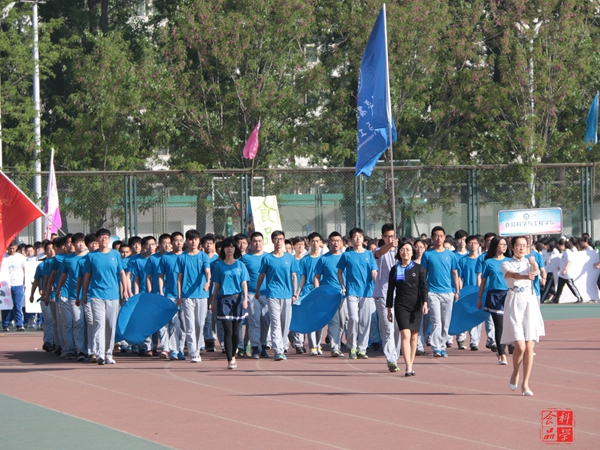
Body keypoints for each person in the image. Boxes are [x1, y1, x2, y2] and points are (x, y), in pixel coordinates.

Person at [502, 236, 545, 396]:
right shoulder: (506, 263)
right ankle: (515, 373)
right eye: (518, 245)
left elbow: (535, 271)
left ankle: (525, 383)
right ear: (512, 247)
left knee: (529, 346)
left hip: (529, 302)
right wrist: (526, 276)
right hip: (514, 302)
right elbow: (512, 275)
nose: (521, 248)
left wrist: (534, 264)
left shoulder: (530, 262)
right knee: (519, 346)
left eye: (524, 245)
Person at [82, 228, 131, 365]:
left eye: (106, 237)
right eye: (101, 237)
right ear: (97, 240)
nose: (104, 239)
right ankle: (100, 354)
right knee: (99, 324)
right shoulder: (91, 256)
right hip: (96, 295)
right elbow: (87, 276)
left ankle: (109, 354)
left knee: (110, 325)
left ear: (109, 239)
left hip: (113, 295)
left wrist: (125, 290)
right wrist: (85, 294)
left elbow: (122, 273)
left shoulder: (115, 254)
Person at [386, 240, 428, 376]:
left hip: (416, 305)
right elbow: (390, 290)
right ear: (399, 252)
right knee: (405, 334)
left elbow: (423, 287)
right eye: (402, 249)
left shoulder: (418, 268)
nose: (405, 252)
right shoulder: (395, 269)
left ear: (412, 252)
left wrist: (425, 303)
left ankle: (411, 363)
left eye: (408, 249)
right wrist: (388, 308)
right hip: (401, 305)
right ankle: (408, 367)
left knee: (414, 337)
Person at [255, 230, 297, 361]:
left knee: (285, 323)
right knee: (275, 323)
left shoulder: (290, 258)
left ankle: (283, 346)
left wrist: (295, 293)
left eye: (281, 239)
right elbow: (261, 275)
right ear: (272, 241)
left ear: (284, 240)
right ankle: (278, 350)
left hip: (287, 295)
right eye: (276, 239)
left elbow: (294, 276)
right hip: (272, 294)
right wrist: (257, 290)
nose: (279, 241)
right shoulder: (267, 258)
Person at [337, 228, 378, 360]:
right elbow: (339, 272)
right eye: (355, 236)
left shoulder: (369, 254)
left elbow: (374, 271)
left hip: (367, 292)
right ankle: (352, 346)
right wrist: (343, 285)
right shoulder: (347, 255)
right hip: (352, 291)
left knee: (365, 321)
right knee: (353, 319)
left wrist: (376, 283)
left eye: (360, 236)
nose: (358, 239)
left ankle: (362, 348)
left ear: (363, 239)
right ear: (351, 240)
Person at [420, 226, 460, 358]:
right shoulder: (427, 254)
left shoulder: (451, 255)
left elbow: (455, 273)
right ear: (432, 238)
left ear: (444, 237)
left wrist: (457, 291)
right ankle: (436, 347)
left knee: (445, 321)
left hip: (448, 292)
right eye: (436, 236)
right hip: (433, 292)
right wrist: (423, 291)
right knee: (436, 321)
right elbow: (423, 274)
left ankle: (443, 346)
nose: (439, 238)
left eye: (441, 236)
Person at [211, 238, 249, 369]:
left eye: (232, 246)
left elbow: (244, 283)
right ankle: (230, 359)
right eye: (227, 246)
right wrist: (213, 302)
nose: (230, 249)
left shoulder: (240, 265)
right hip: (224, 300)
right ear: (223, 249)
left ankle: (234, 354)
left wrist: (245, 299)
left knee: (236, 332)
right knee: (227, 330)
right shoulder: (219, 266)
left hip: (237, 299)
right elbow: (217, 285)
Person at [177, 229, 211, 363]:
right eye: (190, 239)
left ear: (199, 241)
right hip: (187, 296)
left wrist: (208, 282)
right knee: (190, 324)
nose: (193, 242)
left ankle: (197, 348)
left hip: (202, 294)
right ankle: (193, 352)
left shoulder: (203, 256)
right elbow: (179, 278)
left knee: (200, 324)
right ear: (187, 241)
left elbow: (207, 271)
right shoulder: (182, 257)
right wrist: (179, 295)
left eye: (195, 239)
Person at [373, 223, 402, 372]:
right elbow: (379, 253)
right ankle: (391, 358)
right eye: (387, 236)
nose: (390, 239)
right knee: (388, 327)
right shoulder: (379, 251)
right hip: (384, 294)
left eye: (392, 236)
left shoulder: (400, 252)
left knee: (398, 328)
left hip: (400, 295)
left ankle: (395, 354)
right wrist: (390, 245)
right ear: (383, 237)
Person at [477, 236, 510, 364]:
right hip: (495, 296)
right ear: (495, 246)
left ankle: (510, 344)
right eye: (501, 244)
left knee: (510, 324)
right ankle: (502, 353)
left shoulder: (510, 261)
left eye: (505, 244)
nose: (504, 247)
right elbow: (483, 282)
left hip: (509, 295)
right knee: (499, 325)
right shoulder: (488, 262)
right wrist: (479, 298)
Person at [55, 233, 88, 361]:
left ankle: (90, 349)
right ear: (73, 244)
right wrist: (58, 288)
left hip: (90, 295)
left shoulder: (90, 257)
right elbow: (63, 275)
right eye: (77, 242)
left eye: (82, 242)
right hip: (73, 296)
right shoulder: (68, 259)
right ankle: (79, 350)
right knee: (78, 323)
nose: (80, 244)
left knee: (89, 323)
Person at [314, 232, 346, 357]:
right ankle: (334, 347)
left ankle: (337, 344)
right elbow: (317, 277)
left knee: (343, 321)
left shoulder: (345, 257)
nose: (335, 243)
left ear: (341, 242)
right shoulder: (324, 259)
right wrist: (318, 292)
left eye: (338, 240)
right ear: (329, 243)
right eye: (333, 240)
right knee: (334, 321)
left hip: (344, 294)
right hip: (329, 295)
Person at [158, 232, 186, 360]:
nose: (178, 243)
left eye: (181, 240)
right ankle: (174, 350)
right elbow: (160, 276)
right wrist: (161, 291)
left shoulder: (186, 256)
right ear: (171, 243)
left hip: (186, 295)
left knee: (184, 324)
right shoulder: (165, 258)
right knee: (174, 323)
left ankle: (181, 348)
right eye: (176, 240)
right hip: (170, 295)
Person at [241, 232, 270, 359]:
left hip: (267, 295)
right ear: (250, 243)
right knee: (254, 322)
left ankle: (263, 346)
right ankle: (255, 348)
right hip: (252, 295)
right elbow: (241, 277)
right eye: (255, 241)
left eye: (259, 241)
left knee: (265, 322)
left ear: (263, 242)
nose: (257, 243)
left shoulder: (269, 257)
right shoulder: (245, 258)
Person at [296, 232, 323, 356]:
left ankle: (318, 344)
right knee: (310, 319)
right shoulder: (305, 260)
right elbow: (303, 277)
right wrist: (298, 292)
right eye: (313, 241)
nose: (315, 243)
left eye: (317, 241)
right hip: (307, 292)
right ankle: (312, 346)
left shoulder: (323, 258)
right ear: (309, 242)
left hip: (321, 292)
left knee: (320, 320)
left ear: (320, 242)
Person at [1, 240, 26, 332]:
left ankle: (19, 324)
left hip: (18, 284)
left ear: (16, 247)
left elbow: (25, 269)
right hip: (5, 285)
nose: (11, 250)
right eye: (9, 248)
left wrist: (25, 282)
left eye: (13, 248)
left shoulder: (20, 257)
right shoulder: (3, 256)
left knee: (17, 304)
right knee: (6, 305)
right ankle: (5, 324)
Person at [555, 238, 583, 303]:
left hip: (567, 273)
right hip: (562, 274)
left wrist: (565, 269)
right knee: (559, 287)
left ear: (563, 245)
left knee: (571, 285)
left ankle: (579, 297)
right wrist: (560, 267)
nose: (559, 247)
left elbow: (569, 261)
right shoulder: (564, 252)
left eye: (560, 246)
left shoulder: (568, 252)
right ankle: (556, 298)